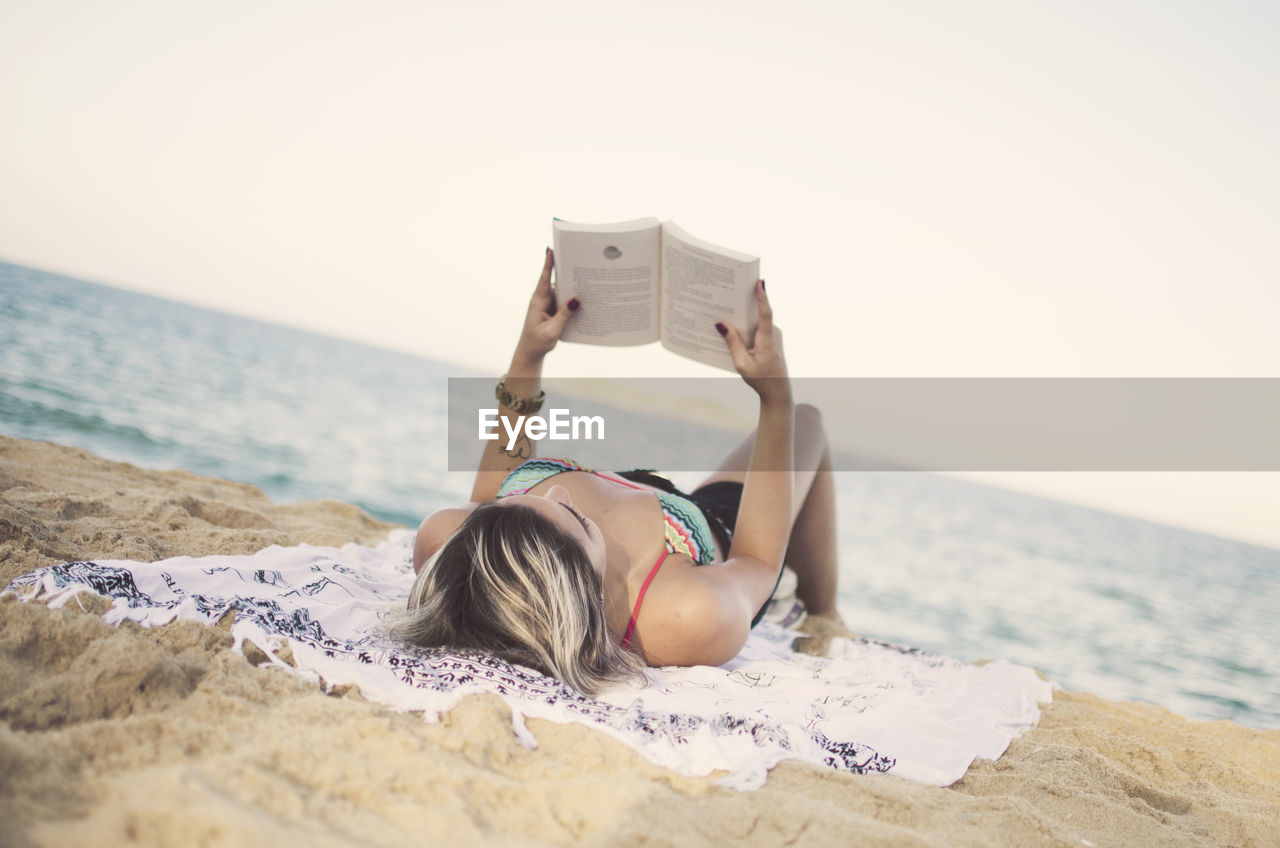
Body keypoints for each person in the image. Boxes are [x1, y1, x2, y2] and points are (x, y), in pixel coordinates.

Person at [393, 248, 844, 695]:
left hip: (642, 505)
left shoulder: (451, 542)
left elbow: (492, 485)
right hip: (703, 527)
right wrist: (773, 397)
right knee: (806, 422)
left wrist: (529, 354)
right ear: (583, 588)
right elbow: (758, 563)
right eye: (577, 521)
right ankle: (826, 615)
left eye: (517, 501)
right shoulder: (683, 611)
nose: (560, 495)